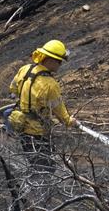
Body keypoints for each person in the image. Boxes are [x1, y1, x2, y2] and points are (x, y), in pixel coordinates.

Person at [6, 39, 77, 173]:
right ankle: (37, 190)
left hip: (20, 125)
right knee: (45, 169)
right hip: (37, 132)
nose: (60, 65)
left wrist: (25, 100)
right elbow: (58, 109)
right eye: (59, 61)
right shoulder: (50, 84)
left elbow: (13, 88)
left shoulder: (25, 69)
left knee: (36, 162)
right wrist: (69, 121)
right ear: (50, 60)